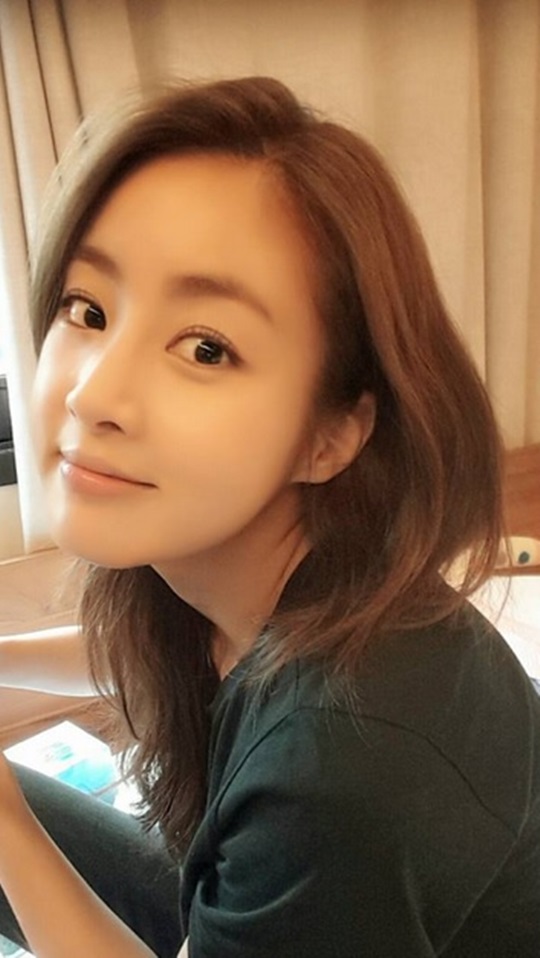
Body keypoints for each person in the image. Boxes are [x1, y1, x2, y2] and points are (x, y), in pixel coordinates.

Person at [0, 75, 538, 958]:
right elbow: (155, 658)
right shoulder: (268, 578)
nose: (92, 393)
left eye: (205, 348)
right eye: (88, 309)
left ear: (331, 436)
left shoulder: (344, 768)